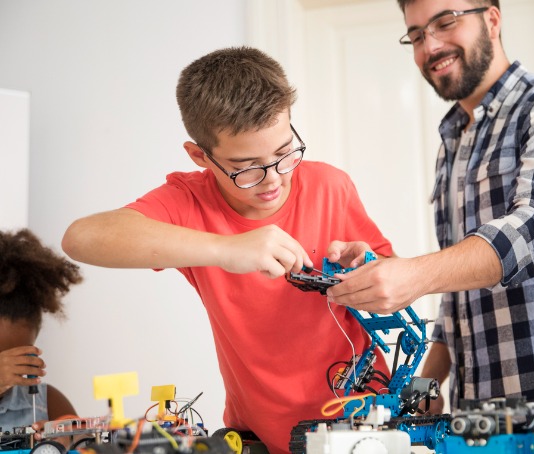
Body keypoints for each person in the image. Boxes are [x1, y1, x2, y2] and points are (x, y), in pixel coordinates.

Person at [61, 47, 393, 453]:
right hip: (258, 440)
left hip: (367, 429)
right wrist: (226, 249)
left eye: (285, 153)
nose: (274, 180)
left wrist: (370, 269)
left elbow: (394, 287)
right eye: (247, 166)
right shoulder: (189, 203)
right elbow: (81, 238)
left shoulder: (330, 186)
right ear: (200, 155)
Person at [326, 0, 534, 443]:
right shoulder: (452, 141)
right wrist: (424, 389)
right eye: (416, 34)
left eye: (445, 22)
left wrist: (413, 275)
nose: (431, 45)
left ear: (492, 19)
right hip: (477, 419)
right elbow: (458, 292)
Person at [0, 228, 79, 429]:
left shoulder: (49, 405)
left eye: (18, 359)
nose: (6, 370)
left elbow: (85, 446)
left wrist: (63, 442)